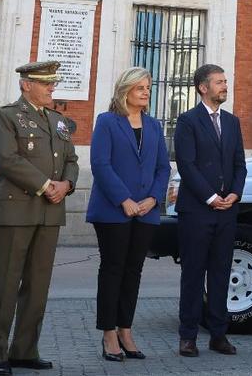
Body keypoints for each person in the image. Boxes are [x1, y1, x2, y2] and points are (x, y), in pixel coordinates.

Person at [0, 61, 80, 376]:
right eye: (46, 83)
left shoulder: (58, 121)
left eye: (53, 82)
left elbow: (71, 159)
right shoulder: (5, 117)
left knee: (37, 287)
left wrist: (66, 185)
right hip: (14, 211)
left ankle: (24, 350)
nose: (52, 87)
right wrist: (46, 185)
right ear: (26, 85)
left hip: (50, 213)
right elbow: (6, 159)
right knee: (5, 285)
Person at [86, 67, 171, 361]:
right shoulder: (107, 122)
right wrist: (124, 199)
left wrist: (153, 199)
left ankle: (126, 329)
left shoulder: (154, 125)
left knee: (133, 271)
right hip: (112, 211)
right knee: (113, 270)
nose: (146, 92)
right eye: (140, 88)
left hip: (145, 211)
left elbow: (163, 167)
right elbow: (100, 164)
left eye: (148, 87)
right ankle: (108, 333)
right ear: (125, 91)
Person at [174, 64, 246, 358]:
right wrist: (210, 197)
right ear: (203, 87)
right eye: (219, 82)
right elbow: (186, 164)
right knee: (193, 274)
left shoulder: (232, 122)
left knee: (221, 273)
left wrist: (234, 194)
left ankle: (219, 335)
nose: (224, 86)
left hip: (227, 212)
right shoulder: (187, 120)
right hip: (197, 211)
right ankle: (188, 337)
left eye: (225, 81)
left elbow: (239, 164)